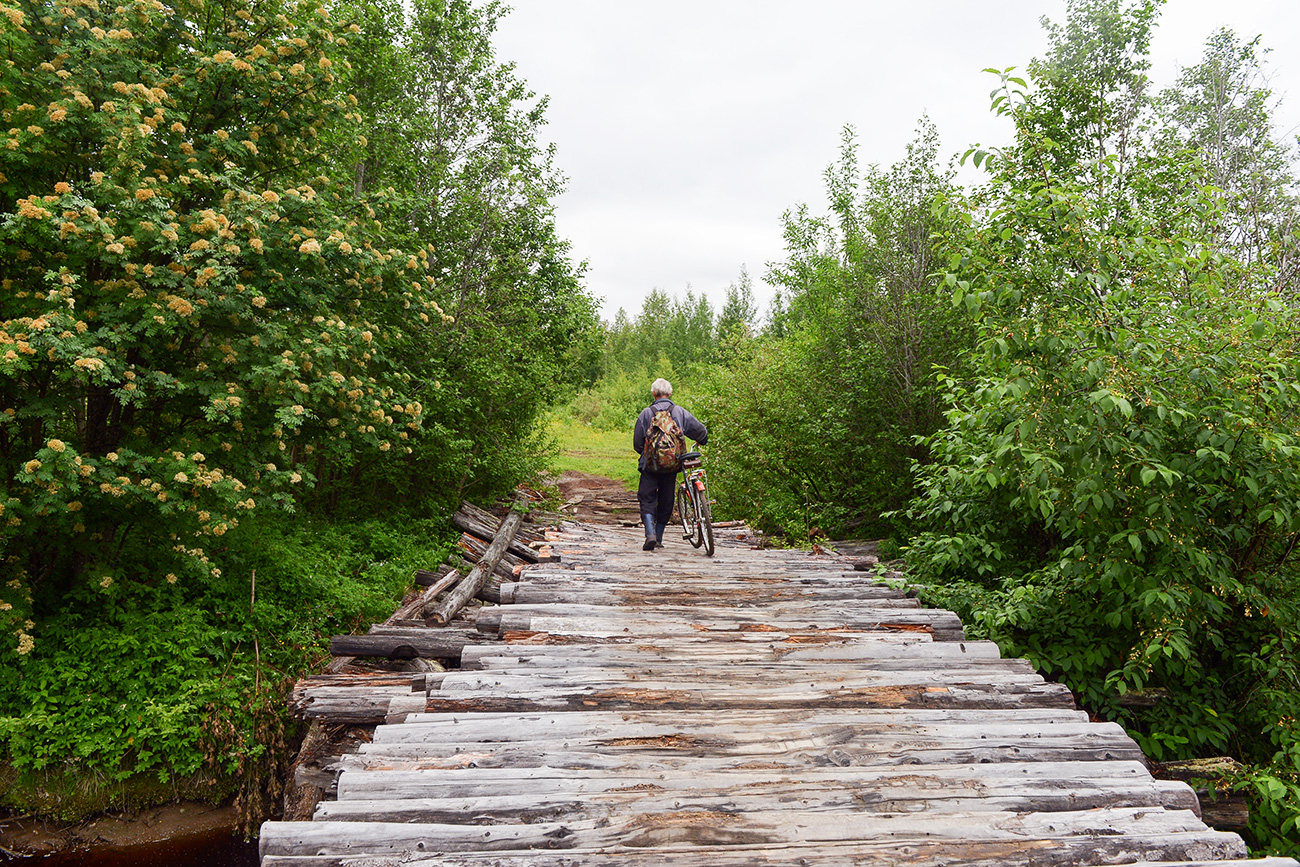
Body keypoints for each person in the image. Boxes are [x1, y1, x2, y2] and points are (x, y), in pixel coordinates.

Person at [632, 378, 708, 552]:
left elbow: (637, 443)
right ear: (670, 393)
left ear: (653, 394)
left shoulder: (646, 413)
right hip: (672, 466)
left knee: (646, 498)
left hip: (650, 467)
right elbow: (700, 431)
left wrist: (649, 455)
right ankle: (658, 538)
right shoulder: (679, 412)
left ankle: (649, 534)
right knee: (666, 501)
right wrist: (703, 439)